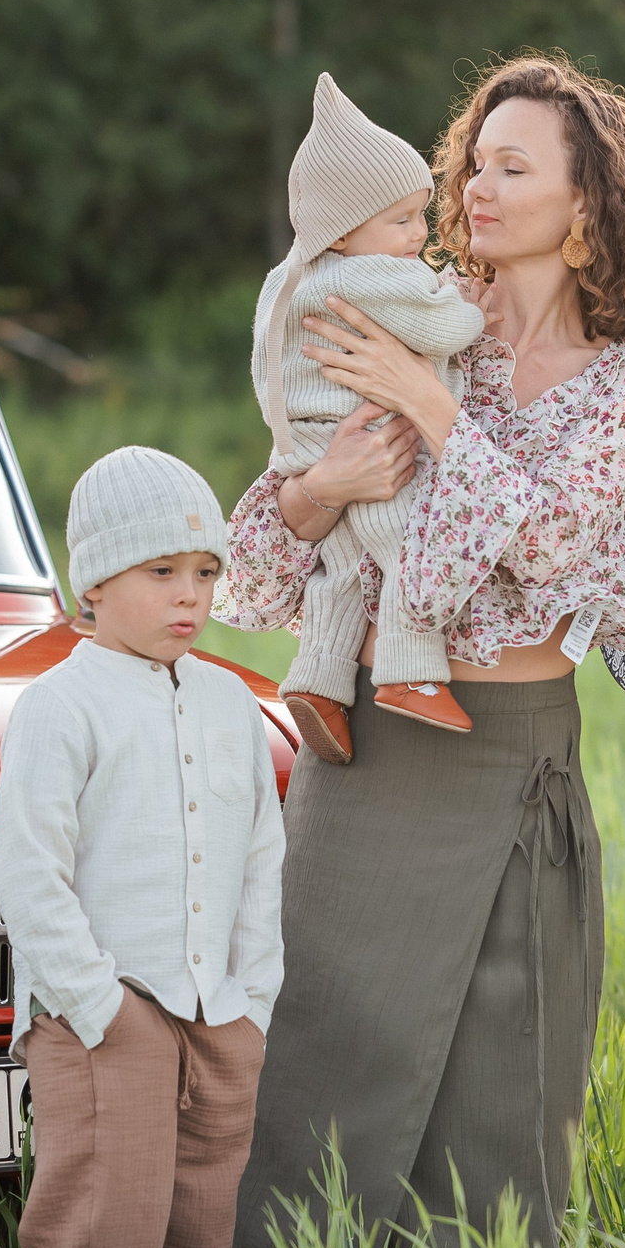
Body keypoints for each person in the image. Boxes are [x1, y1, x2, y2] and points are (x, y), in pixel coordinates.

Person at [220, 55, 625, 1248]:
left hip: (507, 744)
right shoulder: (399, 312)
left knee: (497, 1084)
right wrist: (322, 492)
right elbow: (257, 564)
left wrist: (434, 411)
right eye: (473, 160)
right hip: (361, 740)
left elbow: (551, 547)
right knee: (318, 1060)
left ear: (585, 205)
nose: (475, 184)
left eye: (511, 166)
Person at [0, 445, 283, 1248]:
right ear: (96, 582)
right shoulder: (60, 706)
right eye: (161, 572)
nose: (188, 596)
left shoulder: (231, 702)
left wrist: (254, 1004)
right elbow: (32, 871)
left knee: (199, 1231)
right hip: (104, 1021)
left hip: (218, 1014)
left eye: (204, 572)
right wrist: (98, 1006)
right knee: (100, 1233)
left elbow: (262, 859)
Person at [251, 72, 489, 749]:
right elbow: (441, 328)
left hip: (313, 443)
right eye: (402, 218)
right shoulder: (370, 274)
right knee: (406, 538)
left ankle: (317, 681)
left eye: (420, 213)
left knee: (343, 567)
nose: (420, 232)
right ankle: (410, 673)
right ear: (343, 229)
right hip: (374, 435)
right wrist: (471, 303)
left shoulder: (290, 279)